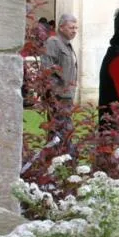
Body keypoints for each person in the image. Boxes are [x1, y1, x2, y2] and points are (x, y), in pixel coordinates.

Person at [41, 13, 78, 148]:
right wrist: (54, 94)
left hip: (66, 96)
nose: (74, 31)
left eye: (76, 28)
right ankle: (66, 158)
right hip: (58, 97)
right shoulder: (53, 42)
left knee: (60, 131)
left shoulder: (67, 45)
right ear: (61, 27)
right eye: (71, 27)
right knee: (63, 130)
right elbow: (47, 69)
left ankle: (55, 159)